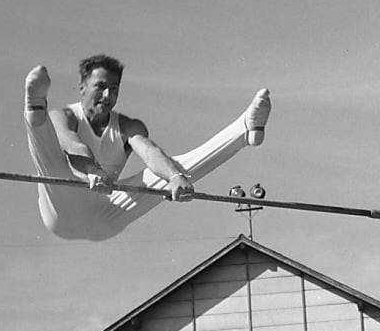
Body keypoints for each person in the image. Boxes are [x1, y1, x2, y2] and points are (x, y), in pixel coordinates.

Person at [23, 55, 270, 241]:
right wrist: (91, 169)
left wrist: (174, 177)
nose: (108, 95)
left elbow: (150, 152)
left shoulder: (128, 126)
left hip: (105, 216)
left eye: (114, 89)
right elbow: (70, 143)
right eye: (100, 86)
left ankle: (243, 130)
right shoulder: (64, 115)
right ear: (82, 87)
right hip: (61, 208)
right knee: (52, 162)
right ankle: (35, 110)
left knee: (173, 167)